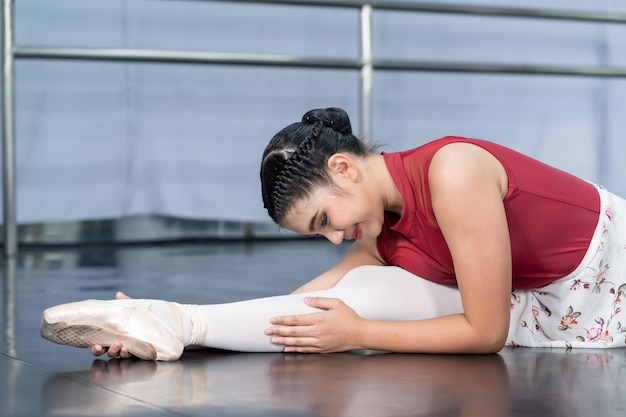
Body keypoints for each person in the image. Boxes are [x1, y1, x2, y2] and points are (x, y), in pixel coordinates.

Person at [41, 107, 626, 360]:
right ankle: (174, 319)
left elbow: (486, 331)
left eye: (324, 220)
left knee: (361, 306)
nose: (334, 239)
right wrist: (189, 334)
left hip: (608, 280)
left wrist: (359, 332)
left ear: (343, 168)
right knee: (356, 292)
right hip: (539, 303)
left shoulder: (453, 170)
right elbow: (303, 308)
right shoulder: (379, 231)